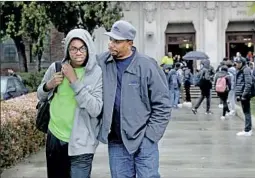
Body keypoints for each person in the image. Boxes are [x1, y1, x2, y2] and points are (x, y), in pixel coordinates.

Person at [97, 20, 171, 178]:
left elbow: (163, 105)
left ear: (129, 43)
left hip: (143, 140)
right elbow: (79, 61)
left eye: (117, 41)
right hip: (116, 141)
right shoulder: (102, 62)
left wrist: (150, 136)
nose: (111, 45)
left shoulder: (147, 65)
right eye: (111, 40)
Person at [37, 29, 103, 178]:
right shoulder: (56, 68)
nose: (78, 52)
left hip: (82, 144)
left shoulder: (96, 73)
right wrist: (49, 84)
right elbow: (40, 94)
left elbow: (96, 109)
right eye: (73, 48)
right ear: (67, 49)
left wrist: (74, 81)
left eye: (82, 48)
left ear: (88, 49)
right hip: (55, 137)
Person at [234, 57, 253, 136]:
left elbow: (248, 84)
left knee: (247, 112)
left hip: (245, 95)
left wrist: (244, 95)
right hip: (242, 94)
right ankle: (247, 129)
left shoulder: (246, 70)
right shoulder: (240, 70)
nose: (237, 64)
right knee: (246, 112)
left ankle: (247, 130)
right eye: (236, 63)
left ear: (242, 63)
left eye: (238, 63)